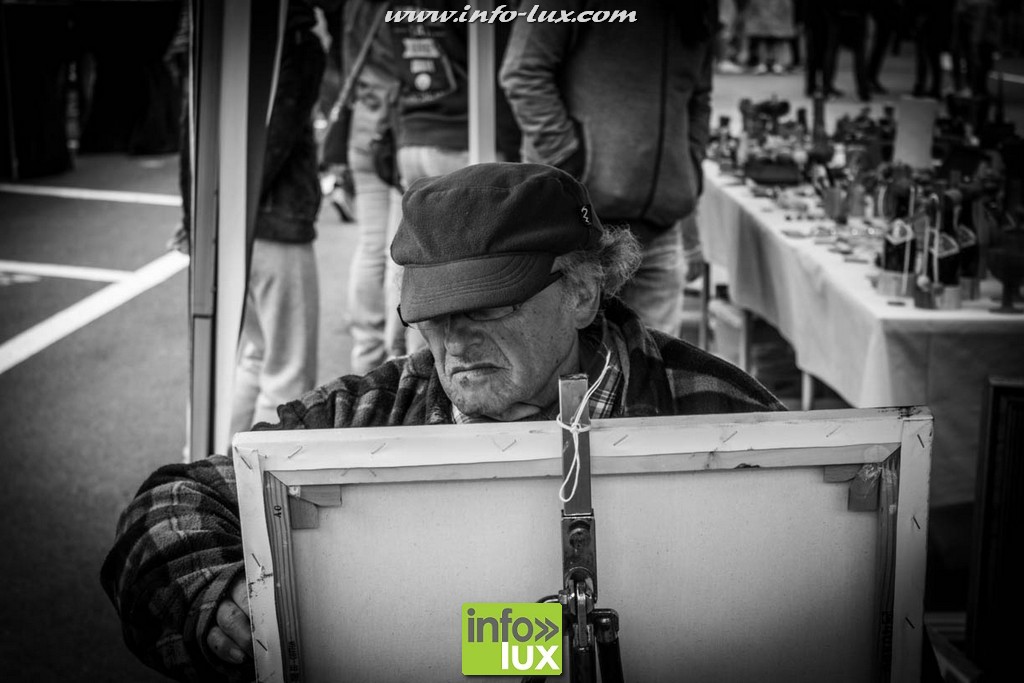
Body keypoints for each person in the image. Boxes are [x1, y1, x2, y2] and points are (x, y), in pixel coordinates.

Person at [101, 162, 784, 681]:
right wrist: (216, 597)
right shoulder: (368, 414)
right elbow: (170, 502)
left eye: (486, 307)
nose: (454, 342)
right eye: (435, 314)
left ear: (581, 292)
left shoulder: (716, 412)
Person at [499, 0, 716, 337]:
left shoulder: (697, 8)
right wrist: (569, 161)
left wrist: (689, 166)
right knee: (569, 359)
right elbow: (523, 72)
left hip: (660, 227)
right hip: (575, 224)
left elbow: (698, 96)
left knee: (657, 363)